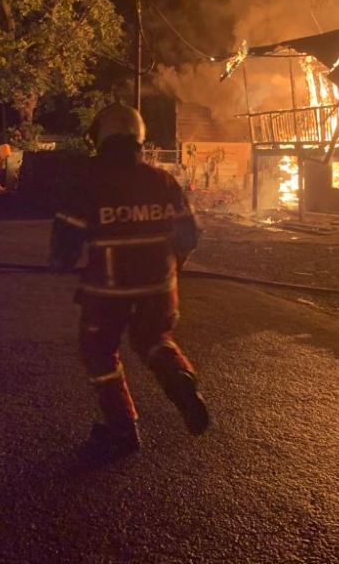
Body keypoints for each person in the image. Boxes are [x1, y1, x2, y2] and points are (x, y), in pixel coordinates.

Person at [50, 103, 208, 465]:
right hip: (159, 286)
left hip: (108, 289)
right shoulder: (163, 180)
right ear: (139, 137)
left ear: (100, 137)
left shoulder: (89, 182)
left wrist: (60, 262)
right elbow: (189, 235)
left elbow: (66, 238)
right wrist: (172, 268)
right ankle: (178, 376)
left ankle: (123, 428)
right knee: (154, 339)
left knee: (100, 352)